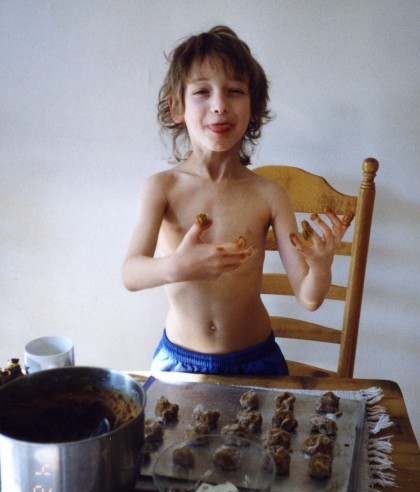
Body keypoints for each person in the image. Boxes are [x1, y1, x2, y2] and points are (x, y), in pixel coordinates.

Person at [121, 25, 353, 376]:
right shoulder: (162, 187)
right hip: (180, 363)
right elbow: (130, 274)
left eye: (234, 91)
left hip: (256, 360)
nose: (219, 105)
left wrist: (320, 266)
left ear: (255, 108)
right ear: (177, 107)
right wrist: (176, 267)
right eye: (202, 91)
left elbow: (308, 298)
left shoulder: (269, 193)